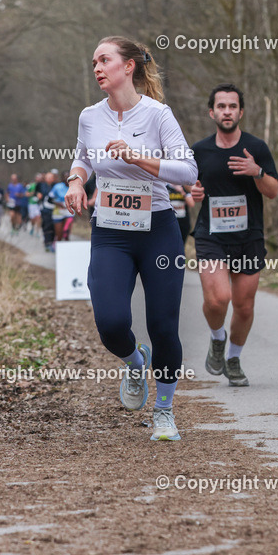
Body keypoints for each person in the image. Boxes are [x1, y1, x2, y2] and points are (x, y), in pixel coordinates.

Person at [64, 36, 197, 441]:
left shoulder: (158, 114)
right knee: (111, 322)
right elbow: (83, 157)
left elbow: (188, 172)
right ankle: (135, 363)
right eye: (94, 62)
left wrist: (136, 156)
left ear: (128, 66)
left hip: (158, 229)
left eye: (104, 60)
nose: (97, 68)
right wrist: (76, 182)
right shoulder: (90, 116)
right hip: (110, 231)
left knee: (163, 325)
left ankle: (164, 411)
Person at [190, 83, 278, 387]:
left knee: (244, 306)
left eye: (232, 106)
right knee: (218, 300)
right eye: (221, 106)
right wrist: (192, 193)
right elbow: (189, 189)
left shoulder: (256, 148)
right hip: (211, 235)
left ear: (241, 112)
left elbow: (273, 191)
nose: (227, 112)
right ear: (211, 112)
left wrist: (257, 172)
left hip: (248, 236)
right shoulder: (199, 150)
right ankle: (217, 338)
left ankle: (233, 358)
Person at [49, 173, 74, 243]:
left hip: (69, 210)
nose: (67, 178)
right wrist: (58, 203)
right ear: (62, 178)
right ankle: (57, 244)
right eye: (65, 177)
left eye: (68, 177)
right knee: (59, 234)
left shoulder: (74, 187)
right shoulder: (57, 187)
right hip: (58, 210)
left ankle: (66, 244)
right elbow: (50, 199)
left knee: (66, 232)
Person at [40, 170, 57, 251]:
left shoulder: (56, 186)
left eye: (51, 177)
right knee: (46, 226)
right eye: (48, 177)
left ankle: (53, 242)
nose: (49, 179)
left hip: (55, 209)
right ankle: (47, 243)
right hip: (45, 210)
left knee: (54, 227)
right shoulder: (42, 186)